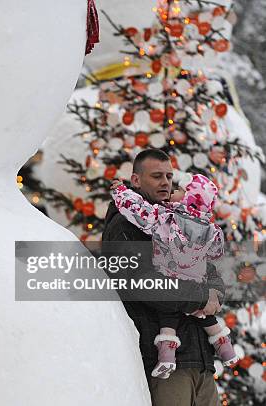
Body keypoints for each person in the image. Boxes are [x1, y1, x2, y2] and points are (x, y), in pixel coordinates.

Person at [101, 149, 225, 406]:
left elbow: (210, 270)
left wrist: (215, 293)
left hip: (200, 359)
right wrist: (201, 297)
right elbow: (140, 282)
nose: (166, 182)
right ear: (136, 180)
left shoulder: (179, 221)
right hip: (164, 362)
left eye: (169, 176)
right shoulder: (125, 225)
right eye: (157, 176)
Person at [110, 174, 239, 380]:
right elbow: (215, 253)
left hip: (170, 277)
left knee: (167, 315)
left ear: (189, 198)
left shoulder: (166, 219)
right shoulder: (211, 231)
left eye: (179, 190)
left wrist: (121, 192)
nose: (172, 191)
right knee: (204, 314)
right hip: (198, 283)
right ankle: (225, 347)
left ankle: (167, 358)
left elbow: (140, 211)